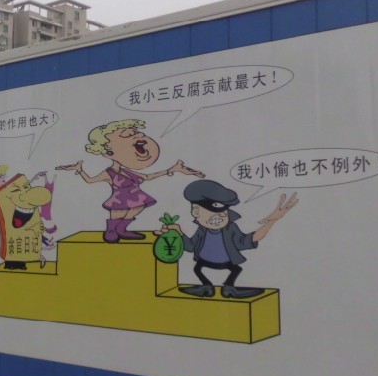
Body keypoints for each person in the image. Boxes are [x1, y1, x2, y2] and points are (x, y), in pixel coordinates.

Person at [57, 119, 202, 243]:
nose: (140, 135)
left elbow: (147, 177)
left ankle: (122, 229)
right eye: (127, 135)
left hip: (135, 196)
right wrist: (79, 169)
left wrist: (172, 169)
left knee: (138, 207)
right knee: (116, 219)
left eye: (135, 132)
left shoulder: (127, 171)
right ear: (108, 152)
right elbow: (90, 180)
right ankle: (112, 230)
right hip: (119, 199)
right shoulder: (108, 173)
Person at [161, 179, 297, 298]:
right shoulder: (202, 230)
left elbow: (249, 240)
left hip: (225, 261)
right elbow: (191, 246)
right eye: (213, 212)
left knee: (235, 269)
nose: (220, 217)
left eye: (223, 213)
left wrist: (272, 221)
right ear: (196, 212)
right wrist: (178, 232)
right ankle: (207, 286)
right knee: (198, 268)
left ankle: (229, 287)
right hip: (204, 260)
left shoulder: (230, 228)